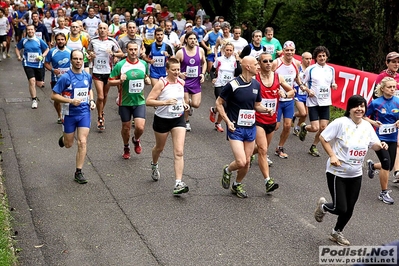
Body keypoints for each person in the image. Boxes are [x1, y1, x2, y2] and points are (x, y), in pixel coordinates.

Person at [315, 95, 387, 246]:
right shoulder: (340, 123)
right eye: (356, 106)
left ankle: (336, 232)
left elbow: (374, 145)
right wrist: (332, 155)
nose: (359, 109)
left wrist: (382, 145)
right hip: (337, 172)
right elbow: (323, 137)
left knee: (349, 208)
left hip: (355, 173)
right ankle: (323, 207)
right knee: (340, 207)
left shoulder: (367, 126)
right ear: (349, 108)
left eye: (362, 106)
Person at [216, 56, 273, 198]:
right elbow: (219, 102)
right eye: (256, 64)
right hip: (235, 128)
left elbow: (257, 105)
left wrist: (266, 109)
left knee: (247, 162)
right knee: (241, 161)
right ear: (247, 67)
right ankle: (228, 170)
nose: (259, 66)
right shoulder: (233, 84)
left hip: (250, 128)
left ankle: (236, 184)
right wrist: (227, 121)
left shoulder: (256, 85)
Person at [145, 57, 191, 195]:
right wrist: (164, 103)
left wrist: (184, 104)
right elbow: (149, 101)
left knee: (179, 151)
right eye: (173, 70)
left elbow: (180, 98)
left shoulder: (181, 82)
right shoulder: (161, 83)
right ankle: (154, 164)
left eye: (178, 69)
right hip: (162, 119)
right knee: (159, 148)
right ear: (167, 70)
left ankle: (178, 183)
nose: (177, 72)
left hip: (178, 119)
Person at [52, 49, 96, 184]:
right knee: (68, 144)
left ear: (83, 60)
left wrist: (92, 101)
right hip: (69, 114)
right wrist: (71, 101)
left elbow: (89, 90)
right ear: (71, 60)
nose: (78, 61)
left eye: (80, 59)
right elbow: (54, 95)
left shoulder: (87, 76)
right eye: (75, 59)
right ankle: (65, 137)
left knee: (82, 141)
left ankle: (78, 172)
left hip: (84, 113)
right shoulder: (65, 77)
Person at [252, 52, 293, 193]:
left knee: (262, 148)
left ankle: (247, 153)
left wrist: (285, 94)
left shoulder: (278, 77)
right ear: (260, 63)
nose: (269, 63)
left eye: (270, 60)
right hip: (258, 119)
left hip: (272, 119)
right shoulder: (255, 79)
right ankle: (268, 181)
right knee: (263, 150)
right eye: (265, 61)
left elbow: (292, 91)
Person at [109, 42, 150, 159]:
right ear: (126, 50)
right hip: (125, 102)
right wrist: (119, 81)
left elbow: (146, 78)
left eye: (135, 49)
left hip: (139, 101)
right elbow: (110, 81)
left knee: (140, 127)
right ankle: (126, 146)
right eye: (130, 49)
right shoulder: (120, 65)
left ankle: (136, 139)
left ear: (138, 50)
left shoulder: (143, 64)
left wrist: (147, 81)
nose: (133, 52)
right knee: (126, 128)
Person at [364, 77, 399, 205]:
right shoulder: (376, 103)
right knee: (386, 163)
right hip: (379, 138)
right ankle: (383, 192)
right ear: (382, 88)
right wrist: (373, 122)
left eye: (394, 87)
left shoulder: (398, 101)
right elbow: (363, 116)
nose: (392, 89)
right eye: (390, 87)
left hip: (393, 138)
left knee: (389, 166)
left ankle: (372, 166)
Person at [298, 46, 337, 157]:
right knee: (315, 128)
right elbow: (302, 83)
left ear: (327, 57)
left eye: (324, 56)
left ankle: (313, 146)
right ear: (316, 57)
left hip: (325, 101)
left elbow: (331, 82)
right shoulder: (310, 69)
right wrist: (307, 90)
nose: (322, 58)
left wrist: (333, 85)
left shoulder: (331, 69)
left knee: (323, 128)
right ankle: (304, 127)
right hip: (313, 102)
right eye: (319, 56)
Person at [87, 22, 123, 130]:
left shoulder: (112, 41)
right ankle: (99, 116)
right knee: (100, 96)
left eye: (104, 28)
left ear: (108, 31)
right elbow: (89, 50)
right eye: (100, 28)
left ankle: (102, 111)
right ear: (98, 30)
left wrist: (113, 54)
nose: (102, 30)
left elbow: (121, 53)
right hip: (97, 71)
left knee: (105, 95)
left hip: (109, 72)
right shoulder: (93, 40)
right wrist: (91, 54)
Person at [272, 40, 298, 158]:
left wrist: (302, 86)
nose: (289, 52)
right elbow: (267, 75)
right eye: (287, 50)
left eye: (291, 50)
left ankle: (280, 147)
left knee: (287, 126)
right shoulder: (276, 62)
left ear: (294, 51)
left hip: (289, 99)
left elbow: (296, 79)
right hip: (276, 100)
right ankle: (262, 148)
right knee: (275, 126)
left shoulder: (296, 64)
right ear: (283, 51)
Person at [175, 32, 206, 131]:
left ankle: (188, 106)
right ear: (186, 40)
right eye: (191, 39)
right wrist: (179, 74)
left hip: (196, 81)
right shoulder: (180, 52)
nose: (193, 41)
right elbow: (174, 66)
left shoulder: (200, 50)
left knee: (196, 104)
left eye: (194, 39)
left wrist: (203, 73)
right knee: (186, 103)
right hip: (184, 82)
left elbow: (204, 63)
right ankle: (186, 121)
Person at [376, 52, 399, 183]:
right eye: (393, 61)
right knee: (395, 145)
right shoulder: (381, 77)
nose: (396, 64)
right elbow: (375, 98)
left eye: (398, 62)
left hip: (397, 115)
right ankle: (395, 171)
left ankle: (396, 171)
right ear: (387, 63)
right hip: (385, 119)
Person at [15, 24, 49, 109]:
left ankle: (36, 91)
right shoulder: (24, 41)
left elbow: (47, 49)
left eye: (31, 30)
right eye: (28, 30)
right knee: (32, 81)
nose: (30, 31)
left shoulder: (39, 40)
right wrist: (19, 56)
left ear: (34, 31)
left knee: (39, 83)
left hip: (38, 64)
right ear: (26, 31)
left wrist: (42, 56)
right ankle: (34, 100)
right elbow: (17, 48)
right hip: (27, 64)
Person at [44, 32, 71, 123]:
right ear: (56, 41)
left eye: (62, 39)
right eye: (58, 40)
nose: (60, 41)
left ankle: (67, 115)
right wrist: (52, 70)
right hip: (56, 79)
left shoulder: (70, 51)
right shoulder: (52, 51)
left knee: (68, 97)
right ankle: (59, 115)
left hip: (68, 78)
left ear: (65, 41)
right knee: (57, 98)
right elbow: (46, 63)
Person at [209, 42, 236, 132]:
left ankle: (214, 111)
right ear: (224, 50)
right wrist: (213, 78)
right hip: (219, 84)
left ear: (233, 51)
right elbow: (211, 70)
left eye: (230, 50)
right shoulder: (219, 59)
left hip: (229, 85)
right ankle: (219, 123)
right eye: (227, 50)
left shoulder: (234, 60)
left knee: (227, 106)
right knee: (223, 105)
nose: (228, 52)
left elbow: (237, 72)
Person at [292, 52, 312, 136]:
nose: (308, 61)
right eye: (306, 59)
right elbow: (292, 78)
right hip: (298, 94)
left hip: (307, 94)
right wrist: (292, 88)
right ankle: (293, 115)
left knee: (305, 114)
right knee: (303, 113)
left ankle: (297, 127)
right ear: (302, 59)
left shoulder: (311, 69)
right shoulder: (298, 68)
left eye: (310, 59)